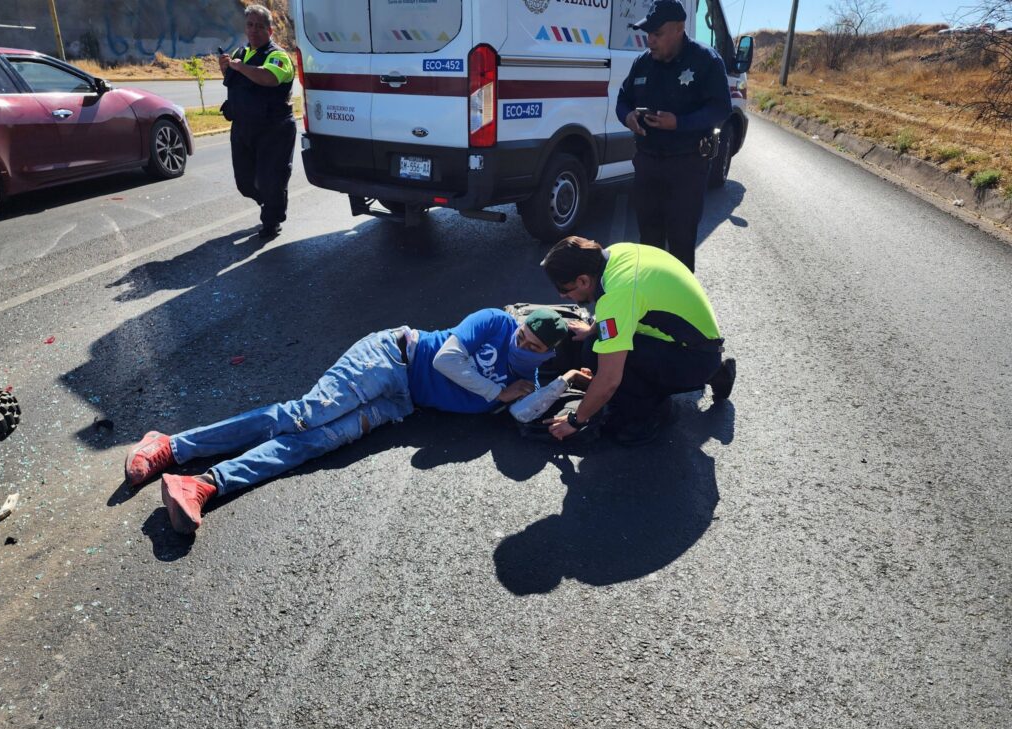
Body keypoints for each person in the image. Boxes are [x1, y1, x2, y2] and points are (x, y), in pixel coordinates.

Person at [125, 309, 590, 534]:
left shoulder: (528, 374)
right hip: (391, 357)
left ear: (546, 355)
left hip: (400, 404)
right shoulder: (493, 321)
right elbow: (449, 359)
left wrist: (560, 383)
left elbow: (520, 411)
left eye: (534, 349)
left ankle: (204, 484)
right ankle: (171, 446)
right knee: (306, 416)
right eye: (524, 337)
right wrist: (494, 390)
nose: (523, 347)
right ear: (520, 324)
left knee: (314, 444)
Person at [540, 236, 735, 446]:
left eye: (564, 290)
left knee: (598, 358)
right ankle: (716, 373)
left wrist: (575, 420)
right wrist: (592, 329)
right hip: (697, 344)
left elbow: (609, 379)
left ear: (583, 281)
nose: (561, 296)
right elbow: (624, 305)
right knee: (594, 343)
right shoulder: (615, 255)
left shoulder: (619, 294)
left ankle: (650, 415)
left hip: (695, 358)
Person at [616, 0, 732, 272]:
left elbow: (721, 108)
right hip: (647, 165)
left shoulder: (706, 61)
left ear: (679, 29)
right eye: (648, 34)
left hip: (687, 167)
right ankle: (651, 306)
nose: (650, 41)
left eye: (657, 34)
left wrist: (679, 123)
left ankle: (679, 310)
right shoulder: (643, 63)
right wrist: (628, 117)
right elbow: (623, 99)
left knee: (680, 244)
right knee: (649, 244)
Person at [220, 4, 296, 239]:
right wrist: (227, 69)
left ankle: (272, 219)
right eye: (250, 25)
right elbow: (238, 83)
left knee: (270, 179)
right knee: (244, 182)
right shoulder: (240, 53)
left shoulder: (278, 56)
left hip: (274, 129)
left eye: (260, 26)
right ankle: (270, 201)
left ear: (270, 31)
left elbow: (268, 78)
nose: (254, 30)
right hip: (243, 127)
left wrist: (239, 67)